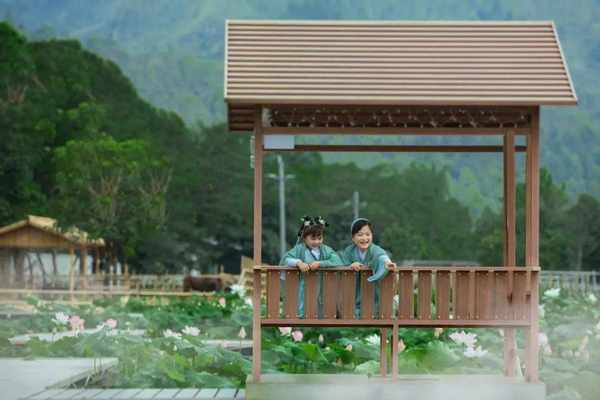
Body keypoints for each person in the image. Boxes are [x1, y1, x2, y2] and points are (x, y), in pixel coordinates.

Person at [280, 215, 343, 317]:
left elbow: (337, 261)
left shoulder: (326, 250)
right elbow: (286, 259)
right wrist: (298, 263)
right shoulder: (299, 249)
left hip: (322, 285)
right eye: (313, 239)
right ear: (305, 238)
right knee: (303, 306)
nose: (317, 242)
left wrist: (320, 263)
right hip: (303, 286)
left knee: (321, 307)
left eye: (320, 238)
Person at [339, 218, 396, 318]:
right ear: (353, 238)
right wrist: (350, 266)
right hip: (353, 292)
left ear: (372, 236)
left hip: (372, 291)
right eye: (360, 235)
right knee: (352, 307)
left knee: (374, 305)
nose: (364, 238)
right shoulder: (349, 251)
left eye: (367, 234)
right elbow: (342, 264)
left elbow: (381, 256)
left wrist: (388, 263)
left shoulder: (375, 249)